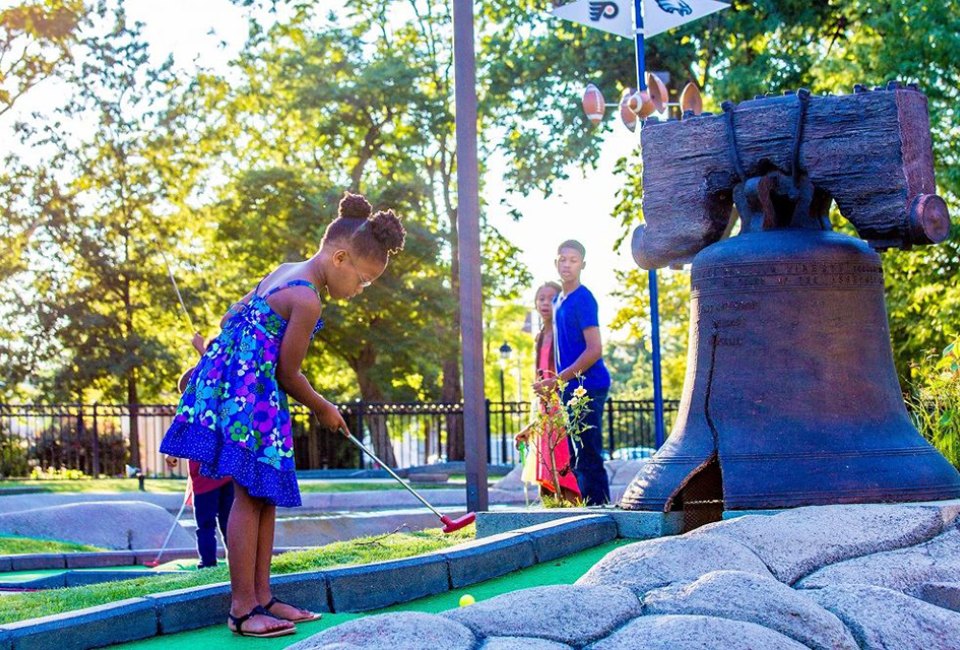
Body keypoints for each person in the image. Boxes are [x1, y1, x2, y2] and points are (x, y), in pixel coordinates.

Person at [159, 192, 405, 638]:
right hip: (251, 399)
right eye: (363, 280)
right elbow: (289, 373)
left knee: (263, 496)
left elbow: (231, 316)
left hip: (244, 393)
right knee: (249, 498)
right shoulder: (308, 299)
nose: (359, 291)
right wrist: (325, 408)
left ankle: (263, 598)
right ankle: (241, 608)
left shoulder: (283, 272)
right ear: (341, 257)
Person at [534, 240, 611, 506]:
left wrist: (559, 379)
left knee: (588, 450)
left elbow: (594, 349)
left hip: (589, 385)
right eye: (562, 259)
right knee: (575, 452)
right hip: (568, 386)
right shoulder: (557, 301)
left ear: (583, 265)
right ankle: (586, 507)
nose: (567, 264)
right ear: (556, 263)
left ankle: (600, 508)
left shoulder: (584, 299)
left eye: (573, 260)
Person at [165, 333, 234, 570]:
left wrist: (201, 350)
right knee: (218, 523)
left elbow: (214, 377)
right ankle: (216, 561)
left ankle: (214, 562)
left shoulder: (207, 408)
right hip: (212, 477)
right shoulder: (202, 412)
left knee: (215, 523)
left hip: (215, 477)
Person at [516, 281, 581, 504]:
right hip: (545, 409)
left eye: (551, 298)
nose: (545, 303)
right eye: (540, 298)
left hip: (561, 405)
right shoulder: (540, 336)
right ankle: (550, 516)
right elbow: (540, 379)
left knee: (563, 466)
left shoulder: (562, 333)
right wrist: (530, 426)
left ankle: (576, 514)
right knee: (544, 466)